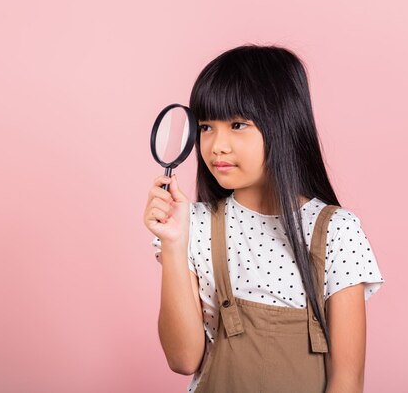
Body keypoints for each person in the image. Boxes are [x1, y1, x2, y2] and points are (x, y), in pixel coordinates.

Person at [142, 44, 384, 393]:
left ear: (283, 125)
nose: (216, 146)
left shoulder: (336, 230)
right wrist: (174, 244)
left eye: (238, 124)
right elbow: (182, 360)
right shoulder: (193, 226)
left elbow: (347, 380)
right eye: (206, 127)